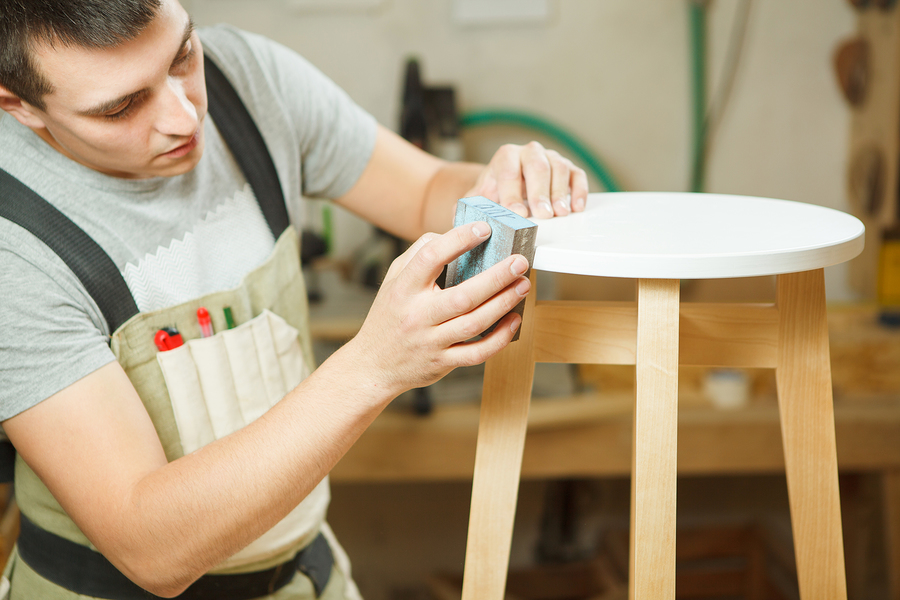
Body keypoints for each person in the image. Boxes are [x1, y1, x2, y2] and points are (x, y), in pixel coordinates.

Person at [0, 0, 589, 598]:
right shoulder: (11, 243)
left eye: (182, 56)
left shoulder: (247, 80)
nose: (183, 116)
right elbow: (151, 545)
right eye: (122, 106)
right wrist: (374, 367)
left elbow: (424, 192)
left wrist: (500, 185)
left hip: (301, 573)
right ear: (18, 105)